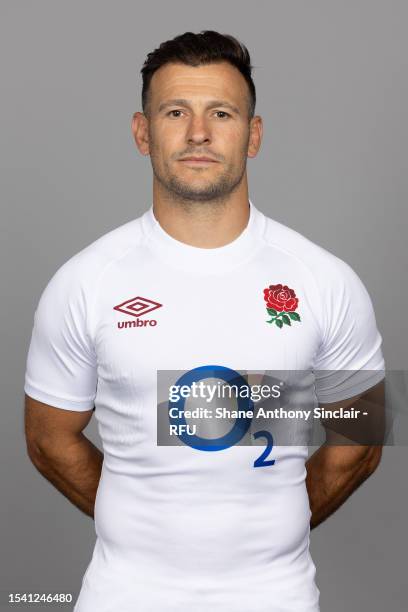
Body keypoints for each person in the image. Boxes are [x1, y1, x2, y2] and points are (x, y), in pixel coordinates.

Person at [24, 30, 385, 612]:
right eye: (175, 112)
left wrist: (270, 534)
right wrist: (140, 530)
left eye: (221, 112)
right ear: (143, 133)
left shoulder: (325, 281)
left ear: (254, 134)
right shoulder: (85, 282)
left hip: (278, 597)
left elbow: (361, 441)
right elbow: (46, 438)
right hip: (125, 596)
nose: (198, 133)